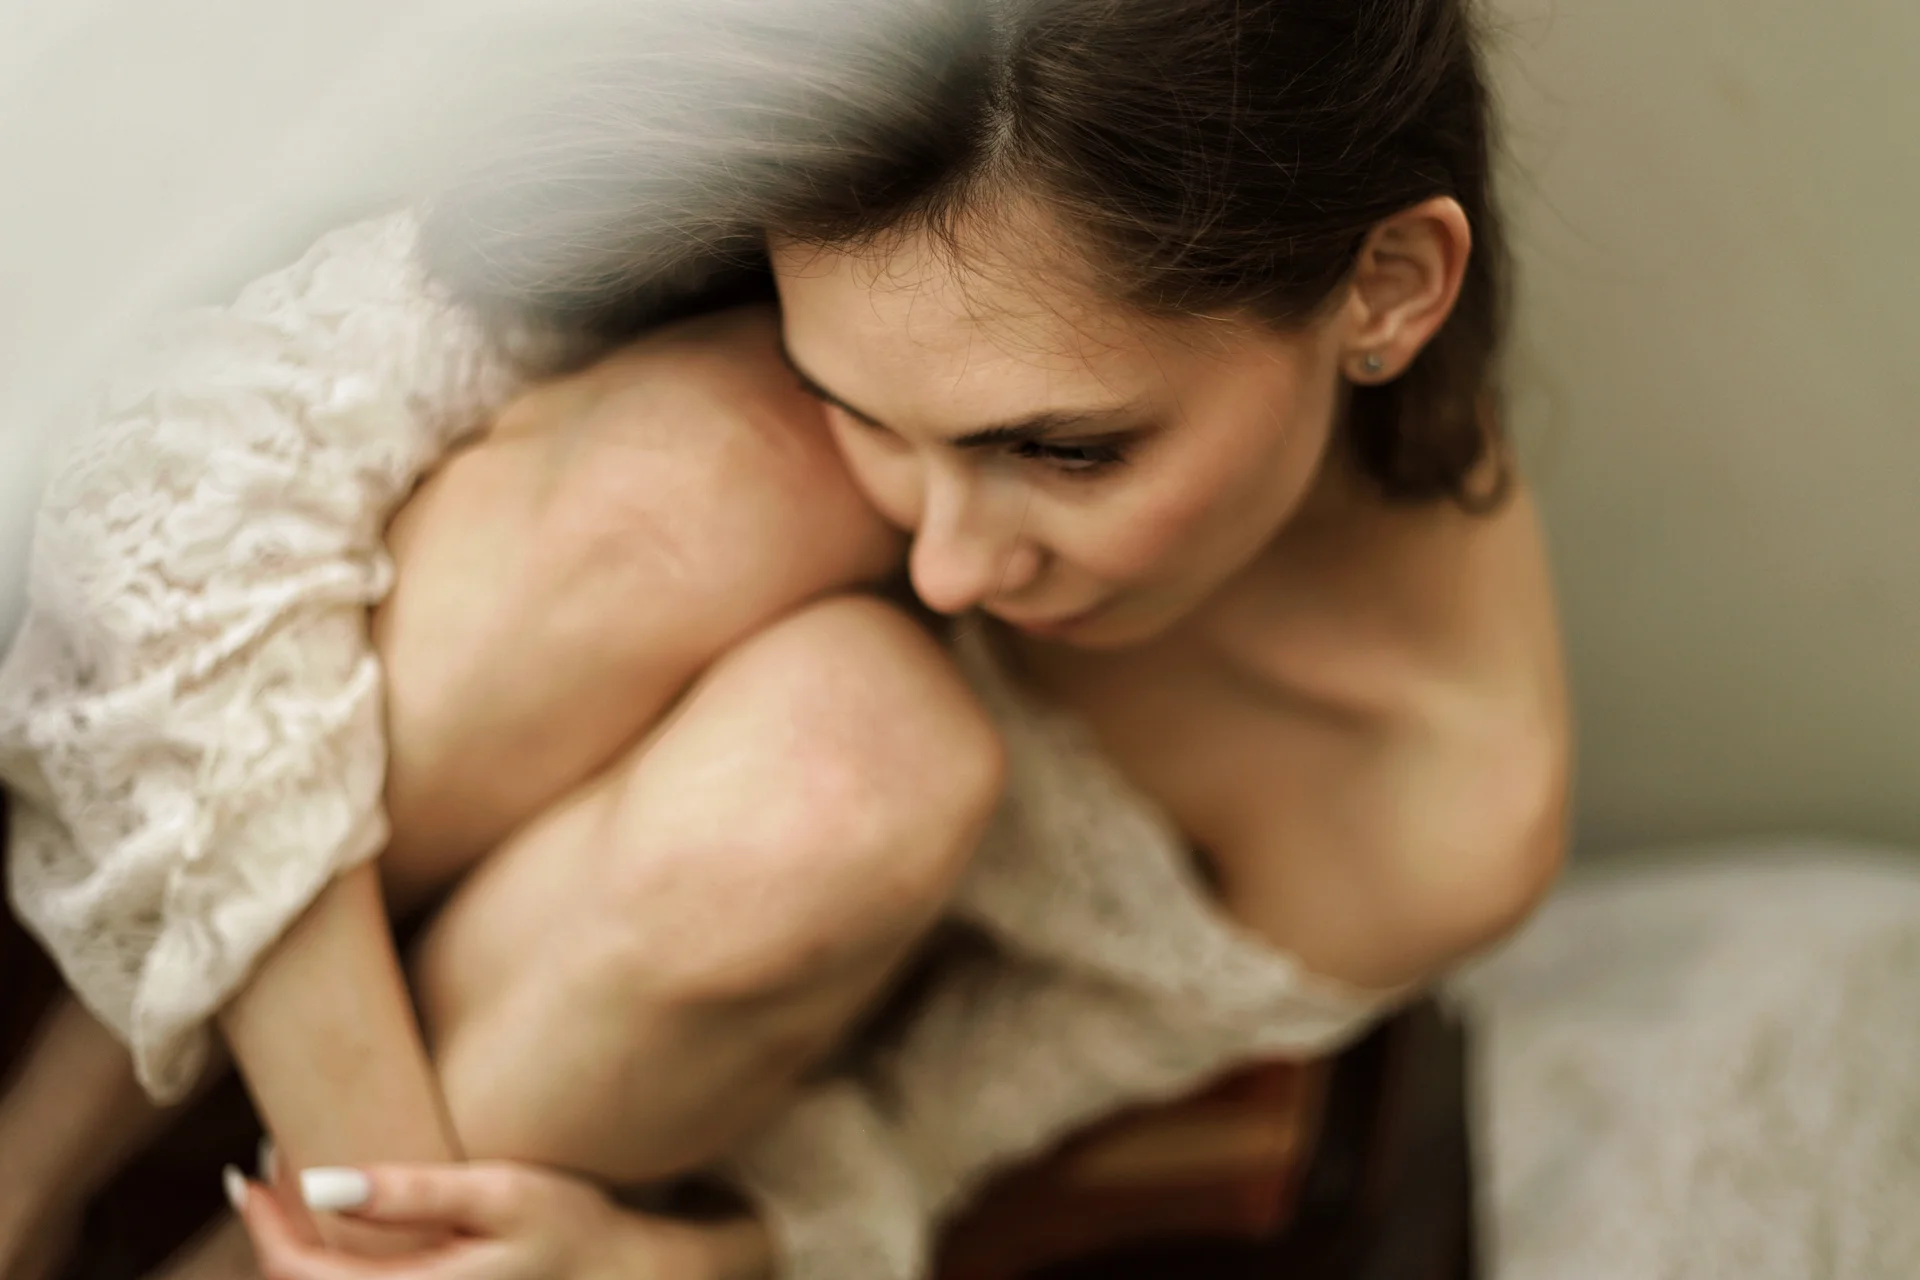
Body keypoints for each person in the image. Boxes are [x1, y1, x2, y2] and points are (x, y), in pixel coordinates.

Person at [0, 1, 1568, 1277]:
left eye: (1067, 451)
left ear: (1390, 288)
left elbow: (916, 1146)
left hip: (614, 1003)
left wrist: (640, 1264)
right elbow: (173, 499)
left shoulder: (1431, 809)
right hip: (331, 875)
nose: (950, 564)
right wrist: (356, 1160)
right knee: (733, 468)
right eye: (863, 406)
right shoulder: (839, 126)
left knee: (849, 757)